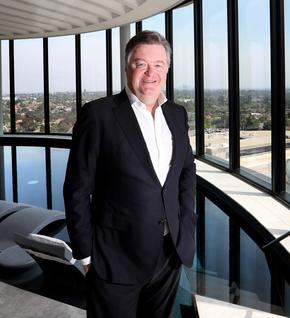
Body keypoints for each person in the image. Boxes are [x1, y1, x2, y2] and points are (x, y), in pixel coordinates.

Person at [63, 30, 197, 318]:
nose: (150, 73)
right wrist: (85, 253)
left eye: (158, 65)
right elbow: (76, 189)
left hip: (168, 254)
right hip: (114, 258)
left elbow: (186, 171)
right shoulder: (98, 115)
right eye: (141, 64)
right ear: (127, 68)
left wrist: (186, 224)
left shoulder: (177, 114)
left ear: (168, 69)